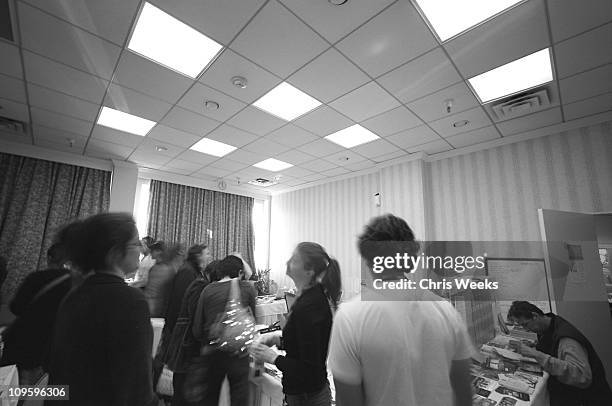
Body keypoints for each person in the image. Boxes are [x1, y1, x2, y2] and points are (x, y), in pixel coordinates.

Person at [326, 214, 474, 406]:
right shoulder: (447, 311)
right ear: (411, 261)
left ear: (368, 261)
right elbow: (464, 392)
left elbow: (348, 401)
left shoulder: (349, 316)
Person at [46, 212, 156, 406]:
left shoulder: (75, 294)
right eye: (135, 243)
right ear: (114, 252)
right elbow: (135, 383)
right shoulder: (129, 300)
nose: (140, 249)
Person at [250, 242, 342, 406]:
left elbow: (308, 367)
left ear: (309, 271)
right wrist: (278, 340)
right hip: (303, 392)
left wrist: (273, 357)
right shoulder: (308, 299)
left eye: (294, 260)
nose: (287, 262)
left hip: (308, 397)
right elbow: (305, 345)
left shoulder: (310, 306)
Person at [1, 221, 82, 385]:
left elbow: (16, 308)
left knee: (12, 391)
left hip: (23, 343)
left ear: (49, 257)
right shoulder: (81, 285)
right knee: (45, 393)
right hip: (51, 353)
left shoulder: (37, 278)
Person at [508, 301, 612, 405]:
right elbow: (553, 346)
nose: (526, 330)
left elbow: (582, 377)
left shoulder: (567, 340)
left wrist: (535, 354)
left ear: (535, 316)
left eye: (525, 324)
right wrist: (535, 346)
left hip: (589, 399)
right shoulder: (550, 323)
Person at [192, 255, 256, 406]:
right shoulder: (247, 288)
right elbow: (253, 320)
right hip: (240, 354)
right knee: (239, 399)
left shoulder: (208, 290)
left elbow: (197, 329)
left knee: (210, 398)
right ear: (240, 272)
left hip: (213, 352)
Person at [165, 260, 220, 406]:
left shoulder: (199, 285)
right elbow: (196, 319)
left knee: (185, 389)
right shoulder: (201, 287)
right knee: (185, 391)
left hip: (186, 344)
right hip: (187, 345)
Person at [143, 243, 184, 317]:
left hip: (150, 306)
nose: (151, 252)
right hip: (156, 307)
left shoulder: (157, 268)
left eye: (152, 251)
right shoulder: (166, 269)